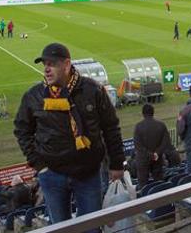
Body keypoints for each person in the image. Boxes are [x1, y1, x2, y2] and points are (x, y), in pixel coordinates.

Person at [13, 42, 125, 225]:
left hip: (88, 174)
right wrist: (39, 164)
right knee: (60, 228)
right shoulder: (34, 96)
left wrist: (116, 163)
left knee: (91, 227)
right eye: (45, 65)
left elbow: (111, 128)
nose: (47, 69)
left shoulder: (93, 90)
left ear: (66, 65)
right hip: (51, 174)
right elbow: (22, 130)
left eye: (52, 64)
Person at [133, 104, 172, 188]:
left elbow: (138, 145)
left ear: (143, 113)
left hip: (144, 160)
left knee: (143, 186)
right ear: (153, 112)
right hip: (157, 158)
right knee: (159, 184)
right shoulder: (161, 125)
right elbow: (166, 142)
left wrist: (151, 154)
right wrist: (156, 153)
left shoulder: (138, 127)